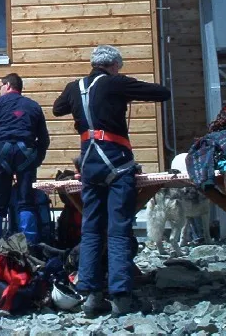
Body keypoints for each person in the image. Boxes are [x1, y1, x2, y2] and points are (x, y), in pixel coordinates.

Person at [53, 45, 170, 317]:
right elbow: (162, 93)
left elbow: (58, 108)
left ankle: (91, 295)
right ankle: (120, 297)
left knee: (92, 230)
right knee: (118, 229)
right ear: (114, 65)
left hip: (90, 164)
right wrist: (123, 95)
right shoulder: (116, 83)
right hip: (117, 161)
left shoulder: (75, 87)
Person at [0, 72, 50, 245]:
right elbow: (44, 139)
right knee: (26, 201)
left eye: (0, 87)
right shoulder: (33, 106)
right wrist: (37, 159)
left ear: (8, 86)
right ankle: (31, 244)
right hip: (25, 155)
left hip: (0, 153)